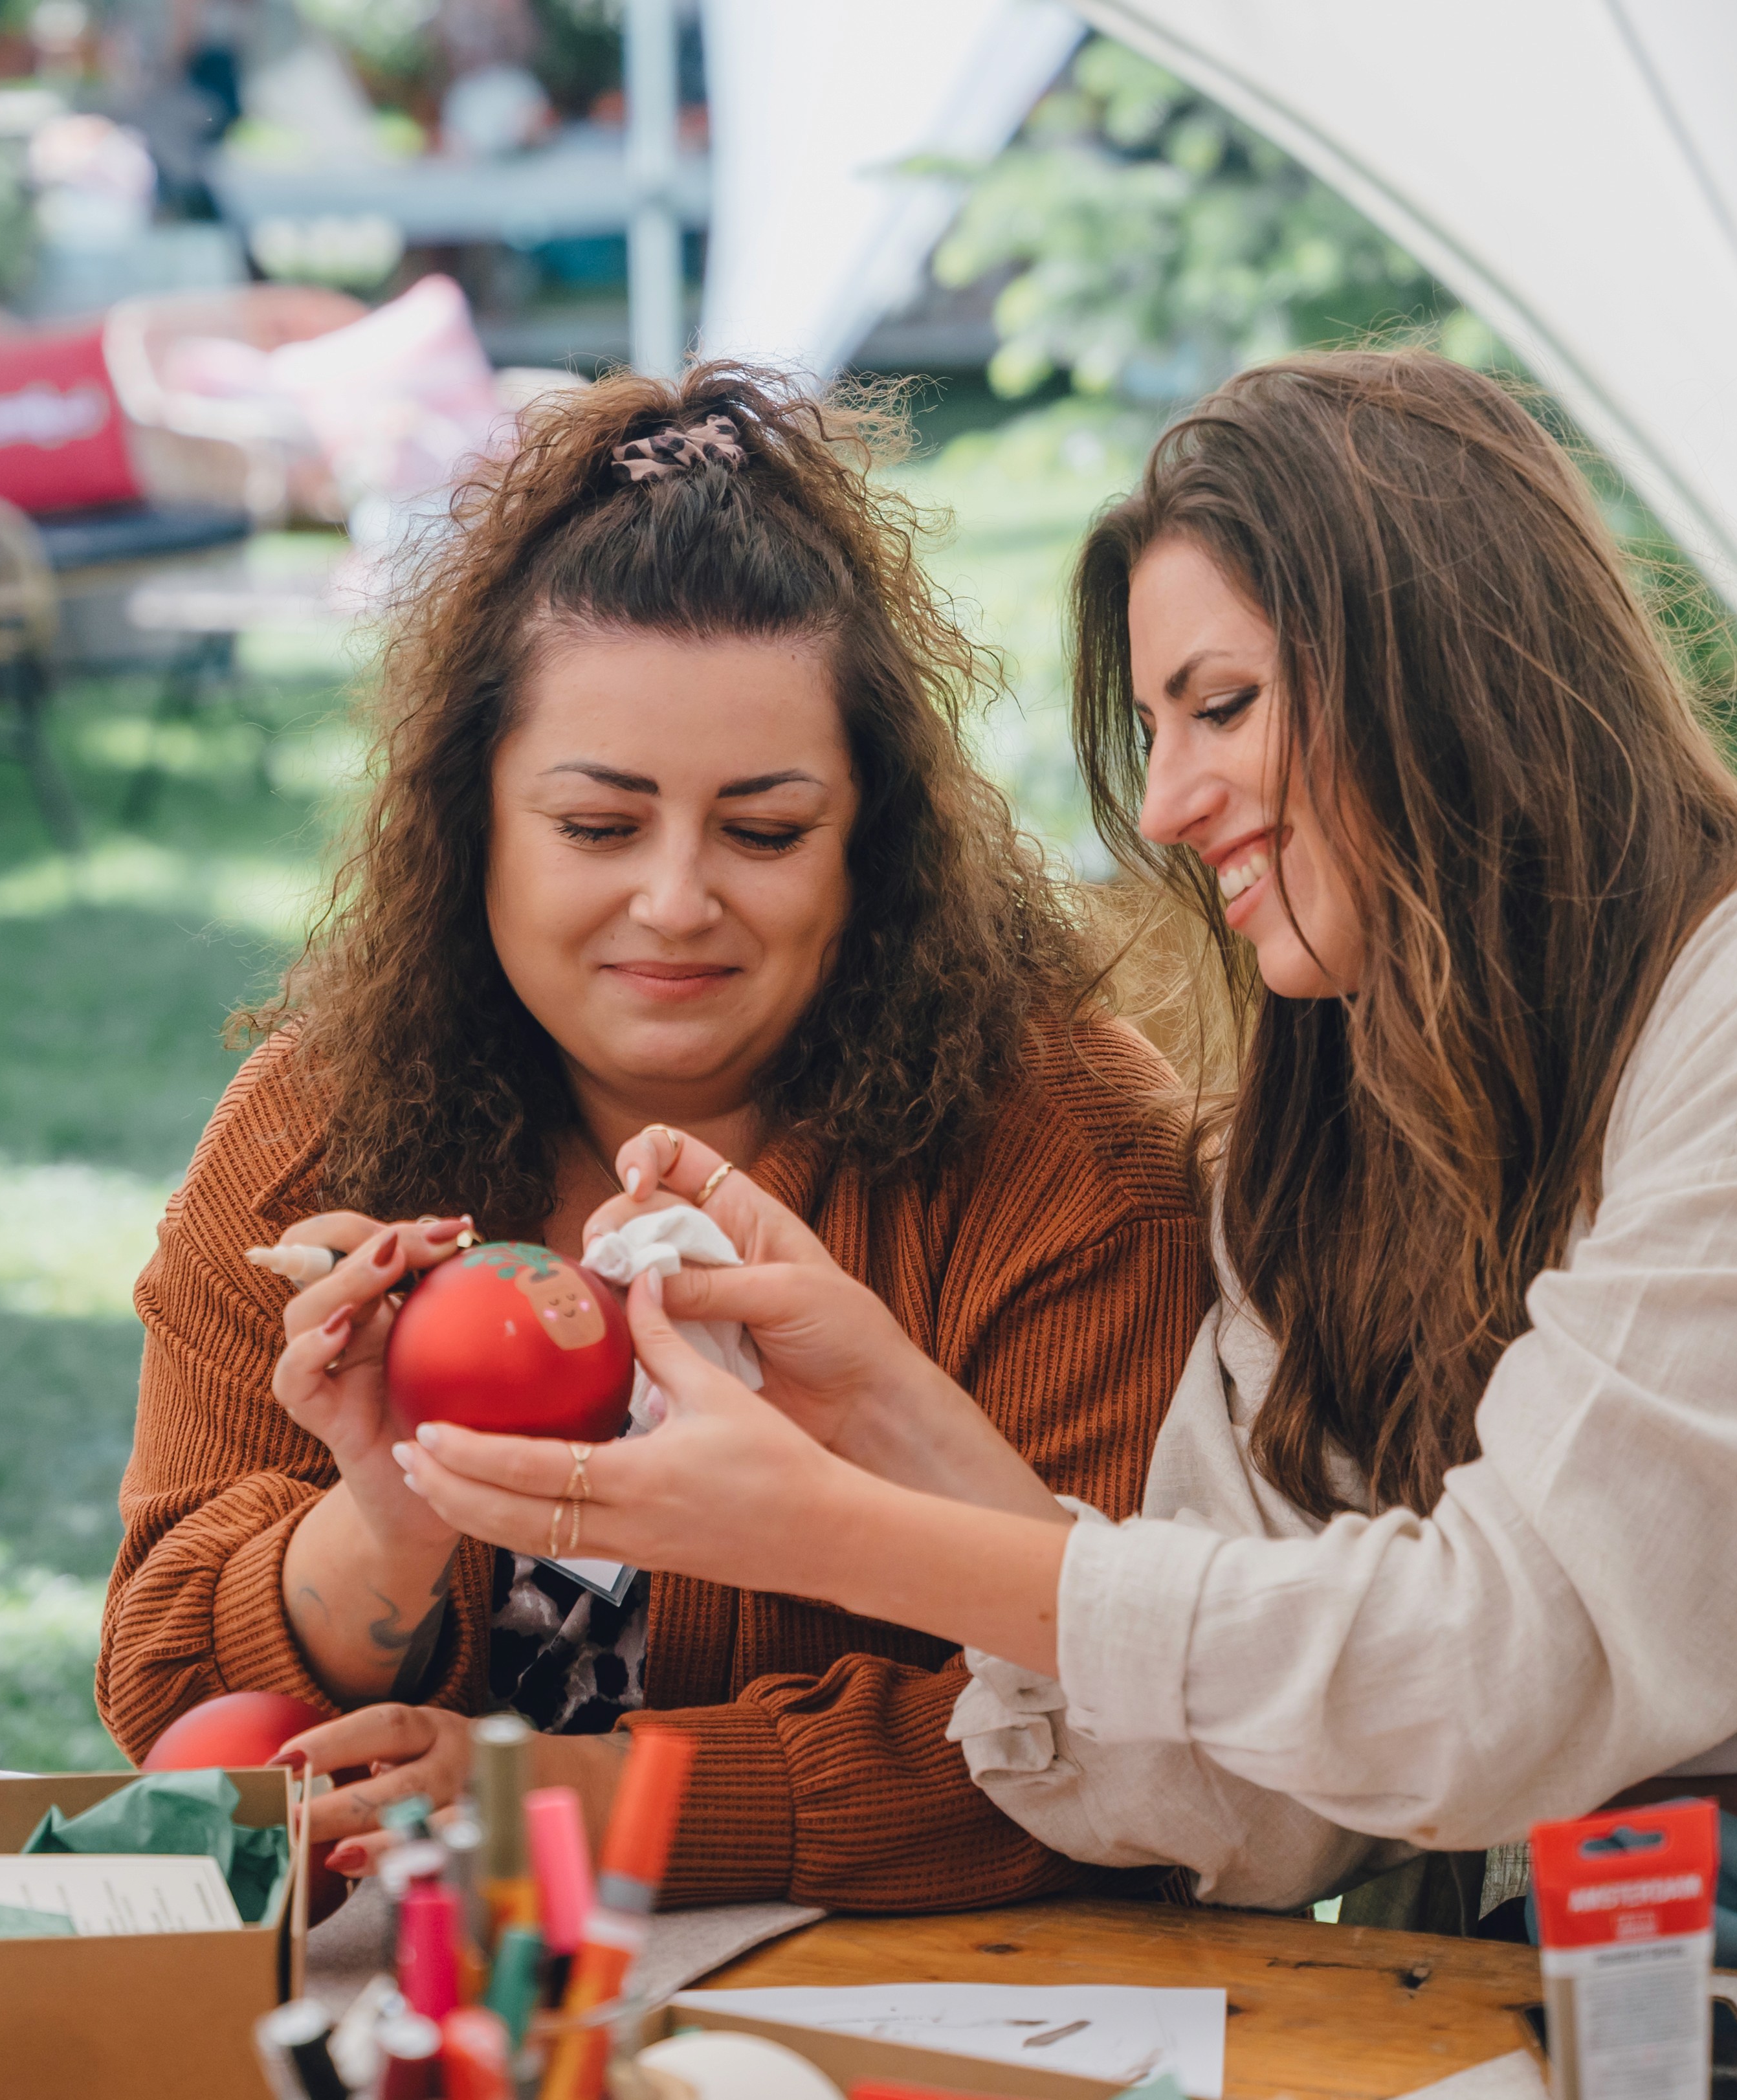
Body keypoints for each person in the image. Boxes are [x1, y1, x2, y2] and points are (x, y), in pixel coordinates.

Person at [396, 349, 1737, 2002]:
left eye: (1219, 706)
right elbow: (1236, 1790)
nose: (1162, 803)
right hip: (1570, 2002)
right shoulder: (1337, 1113)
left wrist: (828, 1527)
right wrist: (889, 1412)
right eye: (1151, 729)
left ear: (1443, 672)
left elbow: (1493, 1676)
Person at [99, 364, 1211, 1912]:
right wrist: (389, 1522)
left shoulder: (1069, 1161)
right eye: (598, 827)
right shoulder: (313, 1128)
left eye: (763, 831)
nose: (678, 902)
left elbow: (1128, 1726)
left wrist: (562, 1801)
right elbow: (169, 1692)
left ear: (870, 840)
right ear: (466, 813)